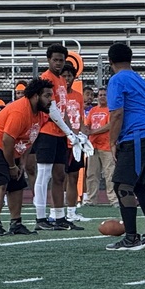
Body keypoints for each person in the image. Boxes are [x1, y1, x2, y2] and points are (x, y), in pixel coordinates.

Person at [0, 77, 52, 236]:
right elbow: (7, 140)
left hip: (8, 147)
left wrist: (21, 162)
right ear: (35, 96)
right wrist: (11, 166)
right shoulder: (20, 110)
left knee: (17, 183)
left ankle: (16, 223)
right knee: (0, 182)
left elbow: (30, 139)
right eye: (47, 96)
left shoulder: (41, 114)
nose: (51, 100)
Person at [105, 43, 145, 249]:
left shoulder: (117, 79)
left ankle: (131, 236)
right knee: (139, 184)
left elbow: (117, 114)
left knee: (122, 185)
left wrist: (113, 141)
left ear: (110, 61)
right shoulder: (139, 79)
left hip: (138, 135)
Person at [34, 45, 79, 230]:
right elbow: (51, 110)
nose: (58, 63)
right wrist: (68, 131)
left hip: (60, 133)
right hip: (46, 131)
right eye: (55, 60)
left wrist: (73, 131)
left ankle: (60, 216)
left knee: (60, 176)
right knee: (43, 175)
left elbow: (63, 110)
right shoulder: (46, 78)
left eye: (61, 60)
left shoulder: (61, 80)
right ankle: (40, 218)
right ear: (49, 60)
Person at [61, 62, 90, 223]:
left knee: (73, 176)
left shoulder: (78, 96)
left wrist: (84, 134)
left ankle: (71, 211)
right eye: (64, 76)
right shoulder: (57, 94)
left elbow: (80, 118)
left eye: (69, 76)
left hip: (76, 142)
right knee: (59, 177)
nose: (67, 79)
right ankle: (57, 211)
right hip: (61, 139)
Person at [83, 88, 117, 207]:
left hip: (106, 145)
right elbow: (87, 124)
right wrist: (86, 130)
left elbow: (109, 126)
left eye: (105, 95)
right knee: (92, 174)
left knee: (110, 174)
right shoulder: (93, 110)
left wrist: (93, 131)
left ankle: (113, 199)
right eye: (100, 95)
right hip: (93, 146)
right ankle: (91, 199)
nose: (102, 97)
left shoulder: (111, 110)